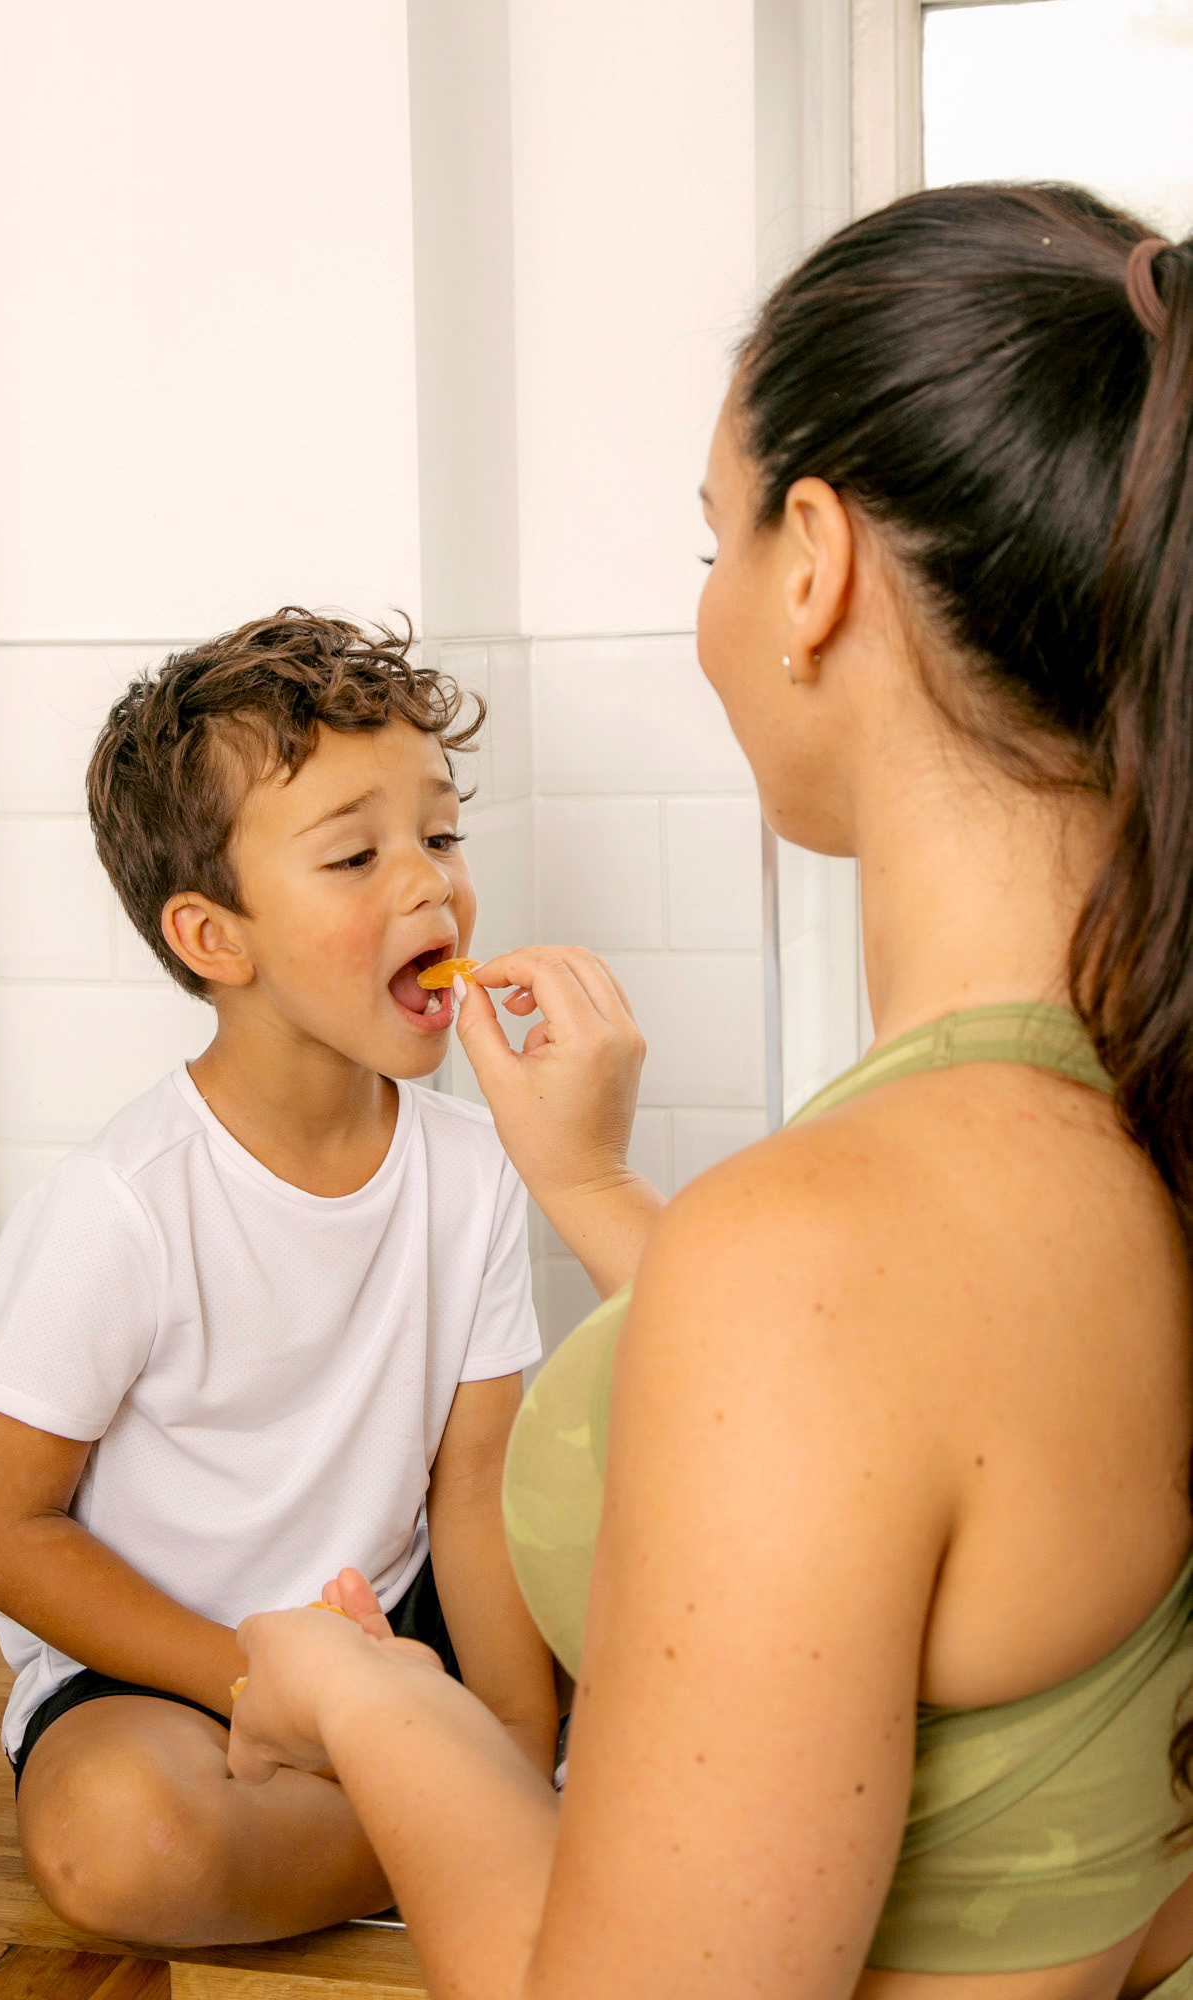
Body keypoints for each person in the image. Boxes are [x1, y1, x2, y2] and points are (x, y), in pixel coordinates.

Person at [222, 186, 1193, 2000]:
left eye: (710, 548)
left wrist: (367, 1698)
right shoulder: (1125, 1121)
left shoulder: (824, 1249)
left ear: (811, 564)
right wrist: (593, 1191)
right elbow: (925, 1435)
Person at [0, 610, 559, 1946]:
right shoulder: (123, 1209)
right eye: (354, 854)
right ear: (215, 939)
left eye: (440, 837)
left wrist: (514, 1724)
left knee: (673, 1563)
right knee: (125, 1850)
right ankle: (486, 1829)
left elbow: (477, 1488)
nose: (429, 886)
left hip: (403, 1626)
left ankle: (469, 1794)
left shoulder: (471, 1168)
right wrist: (269, 1684)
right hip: (172, 1675)